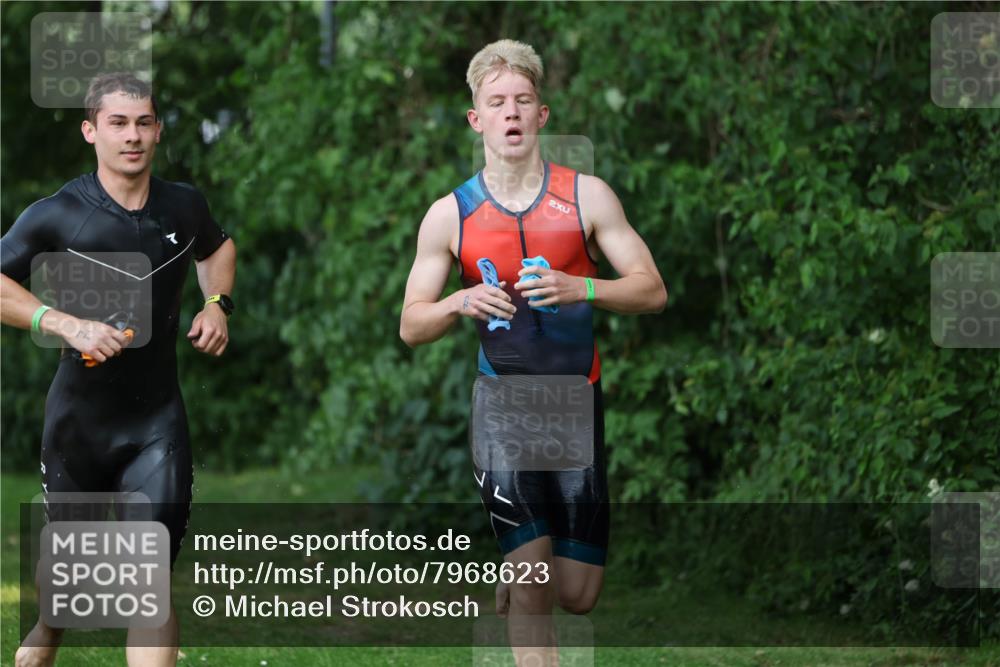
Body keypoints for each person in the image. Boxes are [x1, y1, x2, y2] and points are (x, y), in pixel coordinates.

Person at [400, 40, 666, 665]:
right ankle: (522, 576)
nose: (511, 112)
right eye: (497, 103)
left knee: (576, 593)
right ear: (477, 119)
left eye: (523, 100)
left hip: (575, 404)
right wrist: (459, 301)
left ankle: (520, 573)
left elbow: (652, 290)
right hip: (503, 406)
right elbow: (411, 324)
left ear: (542, 114)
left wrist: (584, 288)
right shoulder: (450, 215)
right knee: (535, 583)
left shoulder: (588, 197)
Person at [2, 72, 236, 667]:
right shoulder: (58, 215)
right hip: (78, 425)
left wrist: (216, 304)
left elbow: (217, 249)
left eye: (143, 123)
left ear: (158, 131)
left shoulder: (184, 204)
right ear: (91, 131)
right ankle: (51, 624)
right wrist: (64, 323)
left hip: (156, 422)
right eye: (118, 123)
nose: (132, 136)